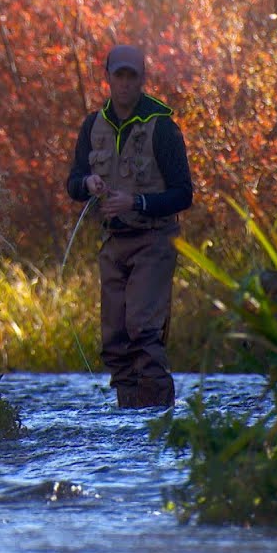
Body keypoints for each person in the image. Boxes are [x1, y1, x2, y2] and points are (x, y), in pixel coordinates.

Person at [66, 45, 193, 409]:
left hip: (155, 241)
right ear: (107, 77)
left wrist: (137, 202)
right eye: (117, 75)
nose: (123, 84)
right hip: (113, 243)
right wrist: (87, 183)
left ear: (142, 79)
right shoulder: (92, 126)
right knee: (116, 341)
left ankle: (157, 424)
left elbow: (183, 194)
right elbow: (73, 183)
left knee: (143, 332)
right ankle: (129, 427)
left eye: (131, 76)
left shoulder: (163, 128)